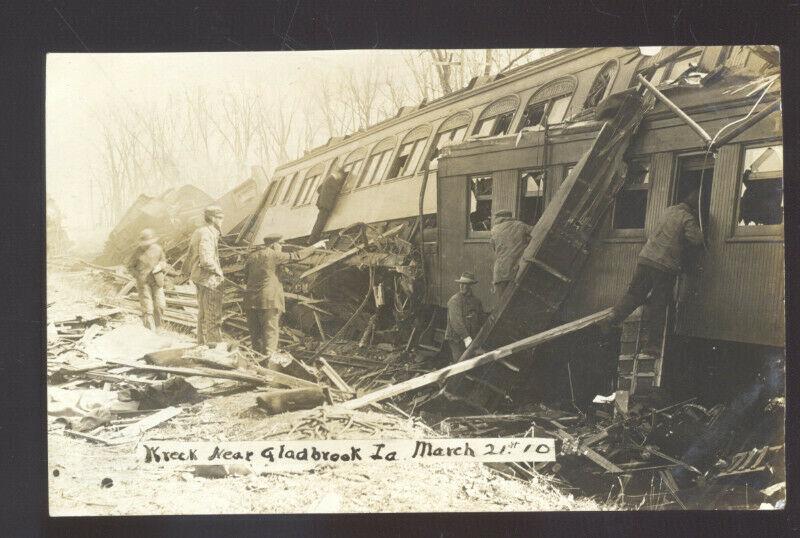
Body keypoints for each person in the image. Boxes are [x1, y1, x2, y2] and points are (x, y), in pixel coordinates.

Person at [603, 189, 705, 355]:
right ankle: (653, 346)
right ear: (693, 208)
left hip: (645, 259)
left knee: (634, 294)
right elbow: (697, 239)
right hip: (664, 267)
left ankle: (612, 319)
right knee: (659, 304)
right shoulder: (687, 217)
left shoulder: (668, 211)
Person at [244, 234, 316, 358]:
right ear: (273, 245)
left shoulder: (251, 257)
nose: (281, 247)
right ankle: (269, 362)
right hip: (269, 300)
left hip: (250, 301)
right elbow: (296, 256)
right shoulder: (273, 254)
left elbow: (246, 278)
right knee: (270, 332)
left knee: (255, 334)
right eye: (280, 245)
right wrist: (314, 247)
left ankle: (256, 360)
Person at [185, 205, 225, 346]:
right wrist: (219, 272)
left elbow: (189, 256)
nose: (222, 221)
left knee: (202, 313)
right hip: (209, 279)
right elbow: (206, 260)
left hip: (199, 278)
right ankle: (214, 345)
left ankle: (202, 343)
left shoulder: (198, 232)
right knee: (213, 314)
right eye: (220, 218)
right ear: (213, 218)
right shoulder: (208, 233)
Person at [126, 228, 168, 330]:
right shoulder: (137, 252)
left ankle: (159, 328)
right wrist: (138, 275)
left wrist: (160, 266)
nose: (147, 245)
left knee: (160, 305)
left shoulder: (158, 249)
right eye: (145, 242)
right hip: (143, 283)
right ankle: (149, 331)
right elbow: (130, 267)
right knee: (148, 308)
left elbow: (163, 261)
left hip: (157, 281)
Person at [490, 210, 533, 297]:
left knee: (501, 303)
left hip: (499, 273)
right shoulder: (520, 225)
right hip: (516, 271)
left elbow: (494, 247)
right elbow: (536, 231)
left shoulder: (494, 230)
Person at [444, 271, 484, 363]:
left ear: (470, 286)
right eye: (461, 284)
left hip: (471, 337)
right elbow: (456, 322)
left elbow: (481, 319)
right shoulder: (454, 301)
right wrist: (466, 338)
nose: (462, 286)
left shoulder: (476, 301)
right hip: (456, 338)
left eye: (465, 284)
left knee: (471, 363)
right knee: (460, 363)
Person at [308, 166, 346, 245]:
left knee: (319, 221)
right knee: (320, 222)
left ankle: (312, 239)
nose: (341, 177)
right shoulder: (332, 180)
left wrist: (323, 195)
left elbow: (319, 189)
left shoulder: (328, 179)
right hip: (326, 204)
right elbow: (337, 190)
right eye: (341, 175)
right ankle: (313, 240)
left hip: (323, 203)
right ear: (338, 174)